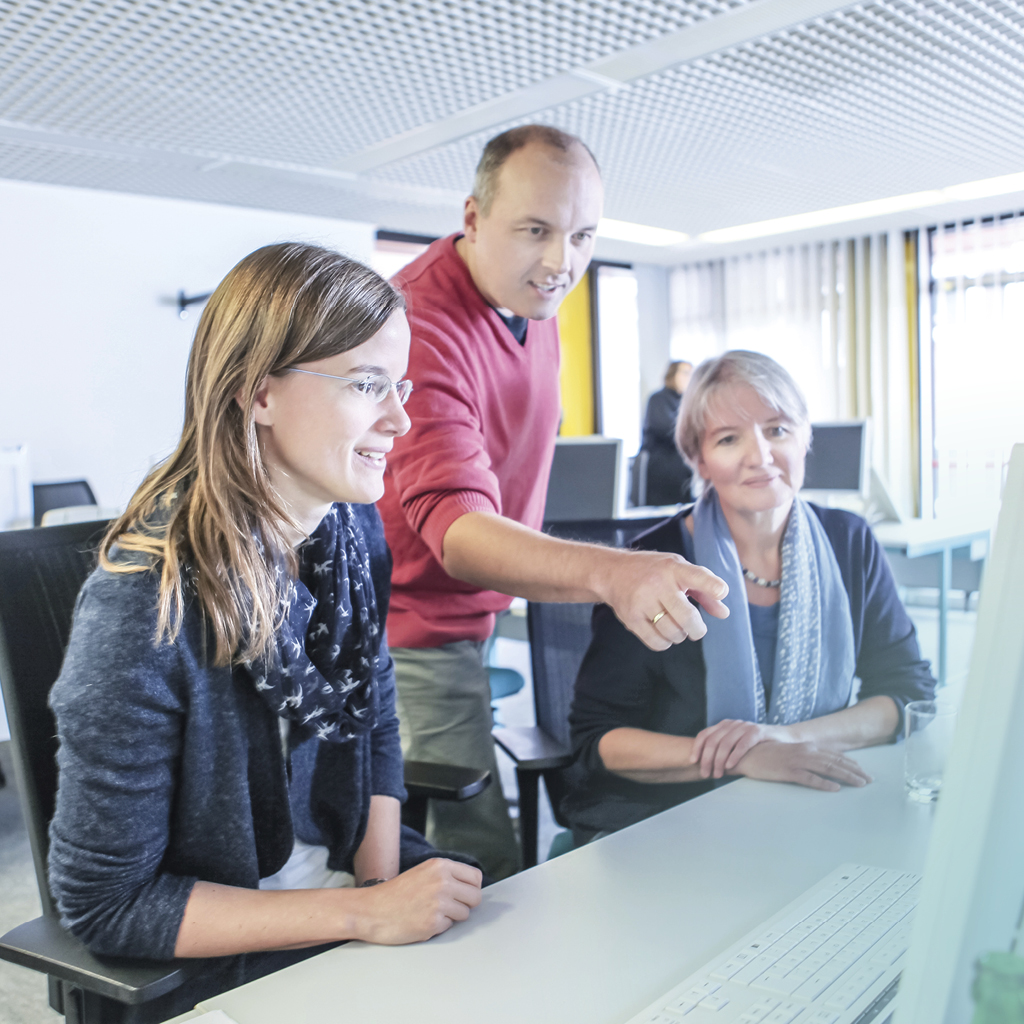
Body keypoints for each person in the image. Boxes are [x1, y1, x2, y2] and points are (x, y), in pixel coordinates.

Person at [47, 243, 483, 1011]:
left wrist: (382, 882)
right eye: (365, 384)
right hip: (232, 964)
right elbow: (105, 902)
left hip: (349, 910)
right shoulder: (143, 606)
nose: (401, 417)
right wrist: (362, 913)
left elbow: (374, 706)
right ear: (258, 394)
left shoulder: (351, 536)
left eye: (400, 383)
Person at [378, 125, 728, 879]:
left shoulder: (530, 299)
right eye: (534, 230)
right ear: (472, 218)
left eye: (581, 237)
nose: (560, 261)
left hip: (472, 616)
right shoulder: (419, 326)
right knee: (478, 863)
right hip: (412, 629)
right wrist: (611, 572)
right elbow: (460, 534)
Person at [563, 350, 936, 841]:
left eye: (778, 430)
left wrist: (785, 741)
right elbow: (598, 739)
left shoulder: (850, 540)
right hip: (668, 817)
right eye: (728, 438)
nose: (760, 456)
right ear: (699, 458)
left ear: (806, 437)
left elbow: (907, 691)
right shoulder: (653, 562)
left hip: (809, 800)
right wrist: (743, 756)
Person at [633, 359, 694, 506]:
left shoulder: (688, 401)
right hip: (661, 469)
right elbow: (667, 429)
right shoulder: (658, 399)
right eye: (685, 373)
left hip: (682, 470)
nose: (689, 378)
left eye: (691, 374)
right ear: (672, 375)